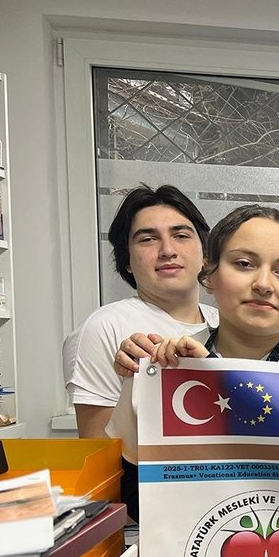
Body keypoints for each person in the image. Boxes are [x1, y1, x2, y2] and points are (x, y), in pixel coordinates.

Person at [109, 204, 279, 521]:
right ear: (209, 275)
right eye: (244, 264)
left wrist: (212, 375)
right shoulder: (167, 364)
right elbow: (130, 488)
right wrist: (150, 374)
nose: (264, 284)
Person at [64, 184, 217, 437]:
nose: (168, 251)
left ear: (205, 254)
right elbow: (101, 449)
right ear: (127, 260)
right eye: (148, 239)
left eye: (181, 235)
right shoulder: (104, 328)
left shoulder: (226, 323)